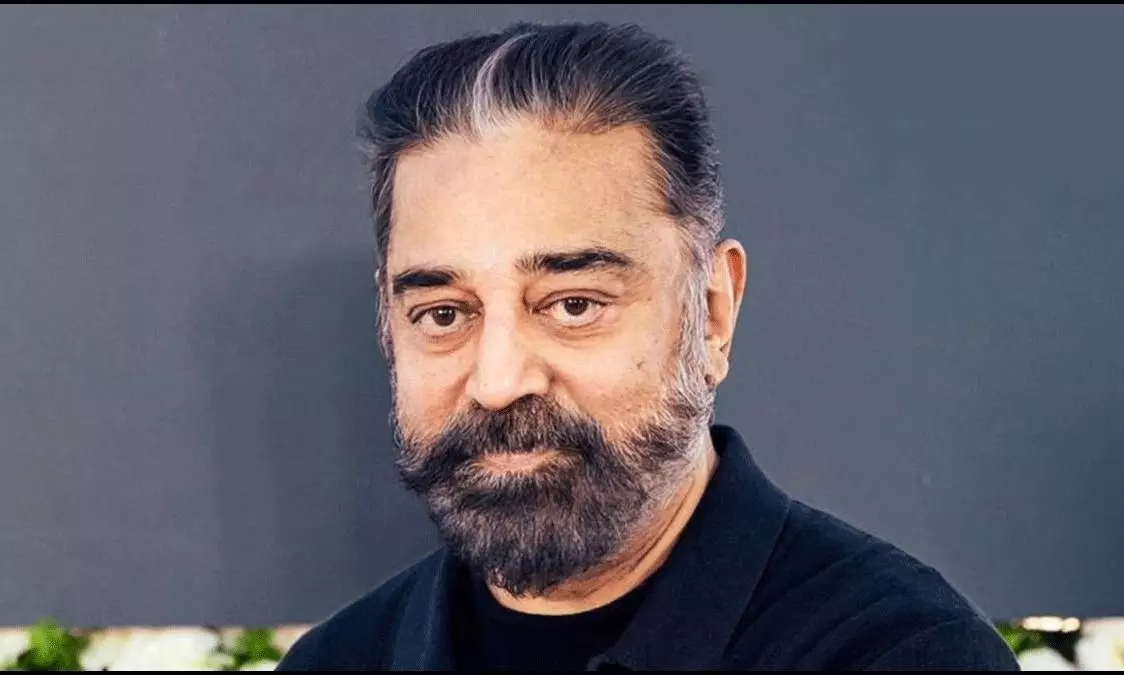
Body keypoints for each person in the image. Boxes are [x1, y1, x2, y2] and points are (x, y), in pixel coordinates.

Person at [277, 20, 1020, 671]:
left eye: (573, 304)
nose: (498, 380)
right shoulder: (336, 660)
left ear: (713, 313)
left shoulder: (900, 651)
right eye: (443, 313)